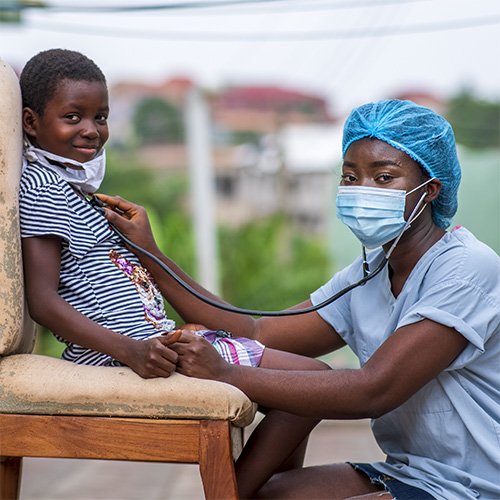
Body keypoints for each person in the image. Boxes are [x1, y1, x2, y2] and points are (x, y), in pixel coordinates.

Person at [98, 99, 500, 500]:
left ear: (430, 190)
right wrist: (150, 253)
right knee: (267, 495)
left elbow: (374, 390)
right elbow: (258, 330)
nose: (362, 190)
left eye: (383, 178)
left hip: (477, 486)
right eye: (350, 176)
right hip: (409, 472)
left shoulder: (466, 269)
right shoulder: (370, 274)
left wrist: (225, 373)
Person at [18, 48, 331, 496]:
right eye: (73, 116)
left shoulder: (77, 191)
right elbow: (44, 302)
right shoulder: (45, 190)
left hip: (160, 344)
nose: (91, 130)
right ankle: (243, 492)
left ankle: (255, 490)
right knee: (314, 384)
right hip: (122, 356)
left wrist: (149, 257)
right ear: (31, 123)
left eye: (101, 117)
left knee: (307, 385)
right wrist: (130, 351)